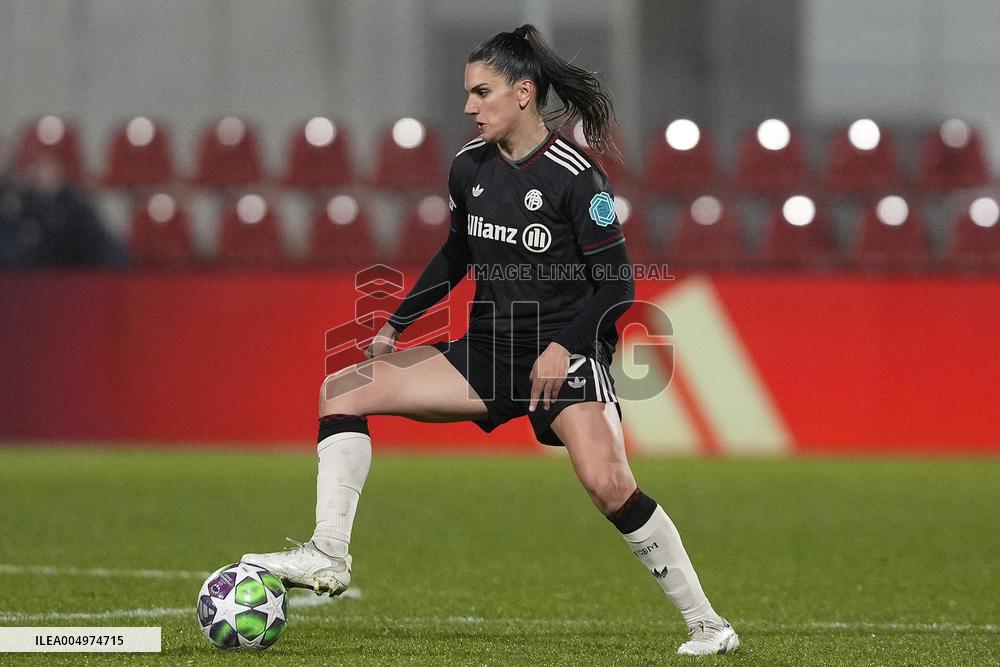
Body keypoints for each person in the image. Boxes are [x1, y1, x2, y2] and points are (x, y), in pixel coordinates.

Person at [243, 24, 739, 656]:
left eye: (482, 92)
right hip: (486, 358)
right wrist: (398, 323)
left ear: (523, 93)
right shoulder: (468, 168)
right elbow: (456, 255)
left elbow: (617, 283)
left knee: (609, 487)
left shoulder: (575, 176)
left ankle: (707, 624)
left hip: (568, 361)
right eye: (468, 93)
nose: (469, 106)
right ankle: (327, 555)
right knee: (340, 390)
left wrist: (564, 346)